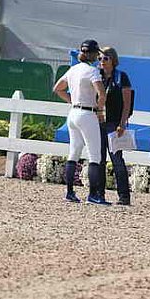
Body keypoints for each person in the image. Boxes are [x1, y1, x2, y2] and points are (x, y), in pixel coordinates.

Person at [53, 39, 109, 205]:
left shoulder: (72, 70)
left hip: (73, 113)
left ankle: (69, 192)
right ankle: (93, 195)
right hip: (87, 114)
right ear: (92, 54)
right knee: (95, 156)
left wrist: (72, 100)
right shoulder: (92, 72)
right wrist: (100, 111)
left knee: (74, 153)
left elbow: (57, 89)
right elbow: (102, 94)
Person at [98, 47, 132, 206]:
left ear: (113, 60)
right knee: (99, 159)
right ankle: (99, 194)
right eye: (100, 59)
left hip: (113, 124)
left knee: (117, 160)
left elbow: (127, 103)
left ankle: (124, 196)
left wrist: (122, 123)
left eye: (105, 58)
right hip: (98, 123)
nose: (102, 62)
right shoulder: (97, 77)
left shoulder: (121, 77)